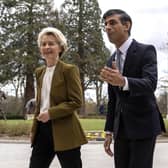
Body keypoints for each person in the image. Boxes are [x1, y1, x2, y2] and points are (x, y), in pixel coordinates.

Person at [100, 9, 166, 168]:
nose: (107, 27)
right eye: (106, 24)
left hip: (143, 125)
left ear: (126, 25)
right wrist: (109, 131)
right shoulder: (111, 60)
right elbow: (113, 99)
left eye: (112, 22)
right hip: (121, 130)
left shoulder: (146, 50)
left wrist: (123, 81)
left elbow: (150, 84)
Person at [29, 27, 88, 168]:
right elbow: (40, 104)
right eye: (43, 44)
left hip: (66, 130)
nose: (47, 47)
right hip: (42, 131)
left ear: (60, 47)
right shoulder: (39, 72)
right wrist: (34, 130)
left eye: (51, 43)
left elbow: (76, 102)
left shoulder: (69, 70)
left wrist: (50, 113)